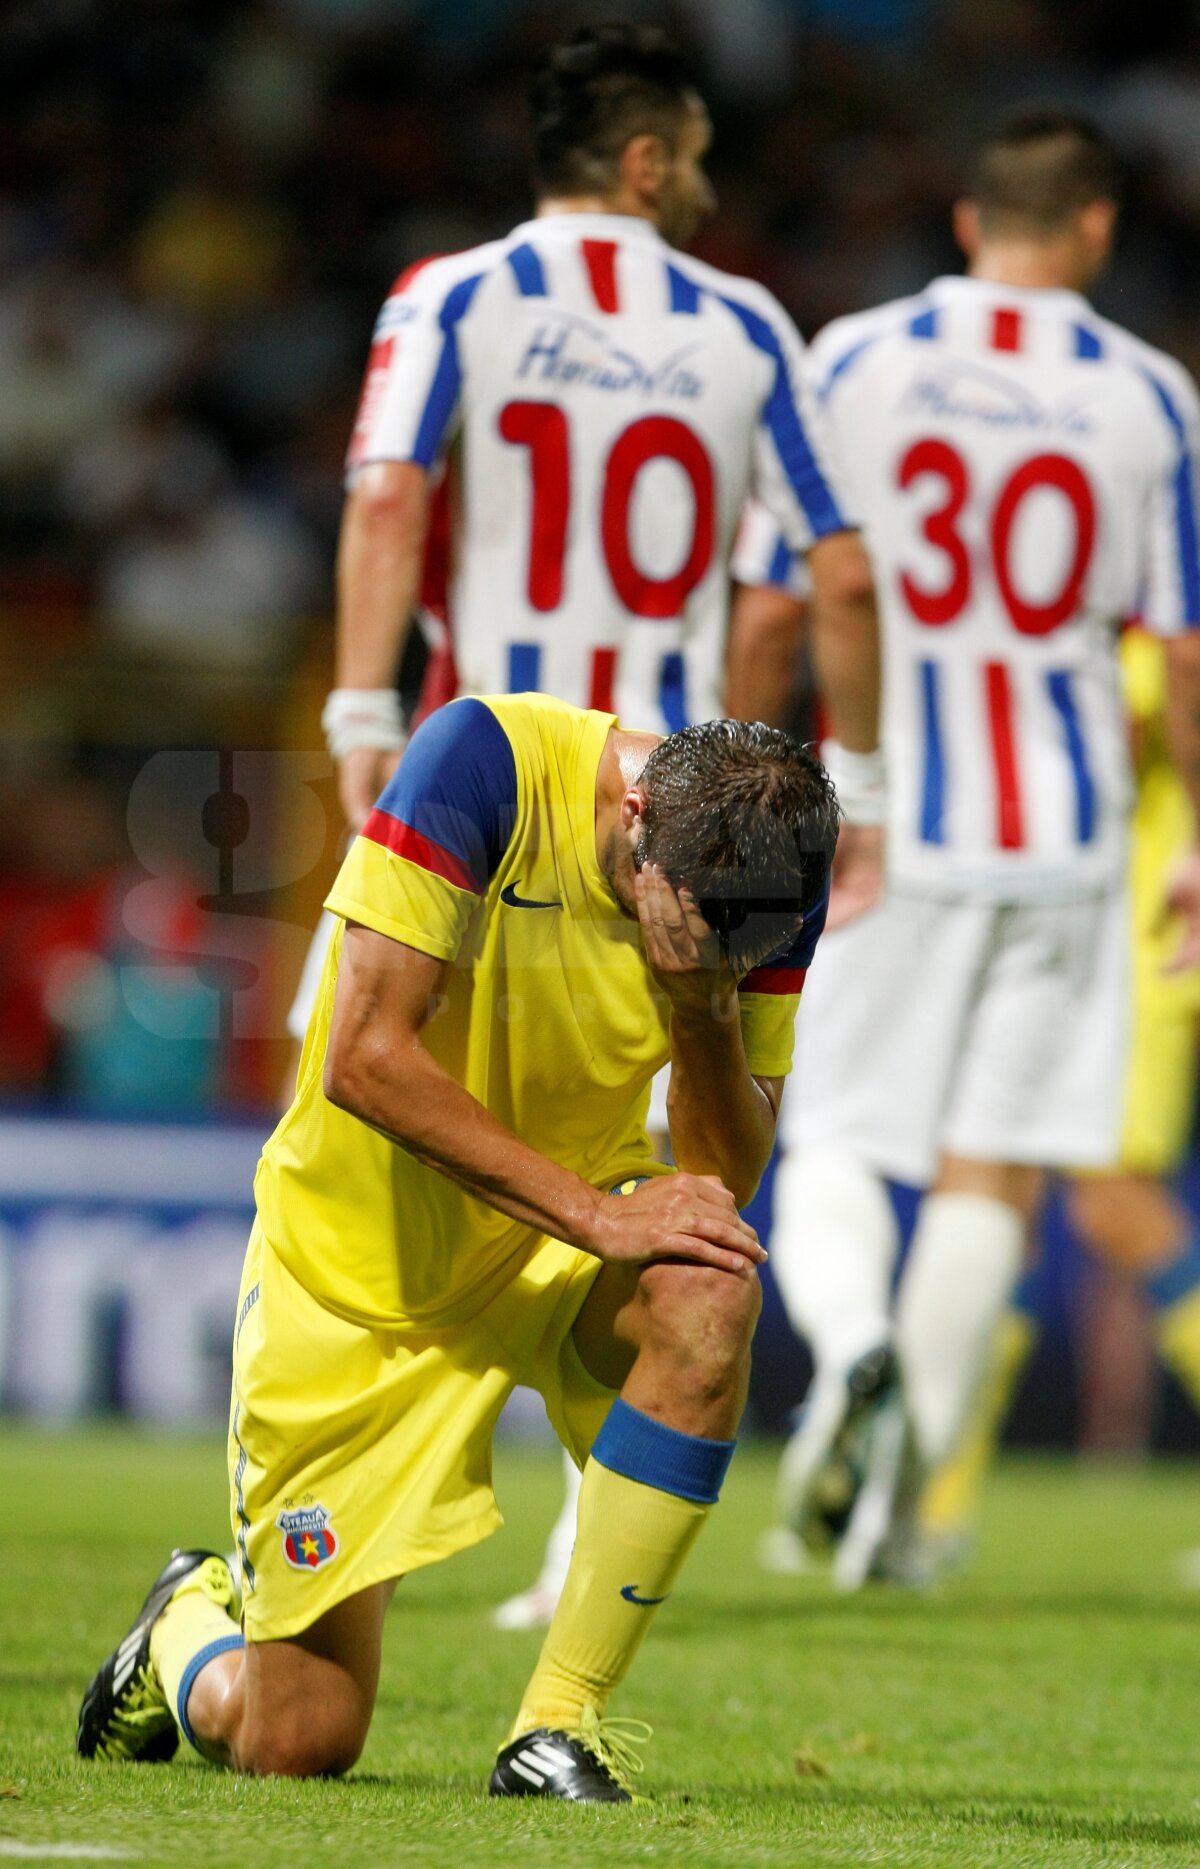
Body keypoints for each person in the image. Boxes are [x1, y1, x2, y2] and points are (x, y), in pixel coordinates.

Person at [299, 22, 883, 1627]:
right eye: (693, 152)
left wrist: (359, 715)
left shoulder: (453, 296)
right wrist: (865, 785)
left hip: (474, 787)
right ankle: (581, 1545)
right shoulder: (748, 322)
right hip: (674, 827)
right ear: (645, 160)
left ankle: (330, 1518)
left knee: (357, 1112)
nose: (704, 180)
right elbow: (830, 566)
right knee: (675, 1179)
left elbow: (386, 498)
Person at [77, 695, 843, 1799]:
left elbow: (723, 1174)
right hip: (363, 1274)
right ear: (634, 812)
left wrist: (702, 1004)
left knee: (709, 1288)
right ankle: (181, 1630)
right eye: (664, 914)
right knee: (297, 1743)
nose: (688, 943)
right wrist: (595, 1214)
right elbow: (364, 1057)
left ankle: (557, 1726)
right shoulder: (481, 764)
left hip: (555, 1253)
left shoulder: (765, 886)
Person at [756, 109, 1200, 1588]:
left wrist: (749, 788)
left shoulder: (856, 361)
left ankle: (853, 1359)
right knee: (996, 1173)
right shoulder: (1150, 396)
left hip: (890, 823)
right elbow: (1183, 653)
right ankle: (885, 1523)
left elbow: (779, 598)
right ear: (1095, 230)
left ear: (965, 221)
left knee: (833, 1134)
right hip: (1069, 833)